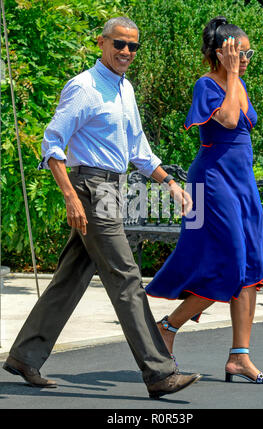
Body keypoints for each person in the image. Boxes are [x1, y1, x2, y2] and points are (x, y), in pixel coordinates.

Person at [3, 16, 201, 399]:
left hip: (112, 187)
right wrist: (71, 197)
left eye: (133, 46)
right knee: (126, 277)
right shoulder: (84, 87)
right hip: (90, 187)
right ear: (102, 42)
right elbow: (52, 145)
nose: (126, 52)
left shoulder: (124, 89)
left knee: (71, 277)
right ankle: (159, 372)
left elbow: (138, 152)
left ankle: (25, 356)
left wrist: (171, 184)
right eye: (119, 44)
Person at [146, 16, 263, 384]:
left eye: (248, 52)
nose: (247, 58)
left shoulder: (239, 83)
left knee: (251, 263)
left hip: (241, 183)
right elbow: (230, 121)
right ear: (222, 53)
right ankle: (167, 326)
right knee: (228, 264)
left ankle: (239, 356)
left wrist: (236, 77)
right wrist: (232, 75)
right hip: (213, 182)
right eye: (240, 52)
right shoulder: (208, 84)